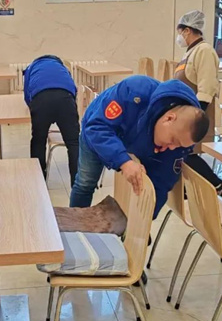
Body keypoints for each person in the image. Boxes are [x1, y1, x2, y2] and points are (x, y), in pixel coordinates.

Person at [69, 75, 209, 217]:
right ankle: (73, 224)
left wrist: (145, 218)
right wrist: (124, 161)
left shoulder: (183, 137)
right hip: (96, 130)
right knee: (85, 183)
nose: (172, 147)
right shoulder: (134, 91)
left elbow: (162, 181)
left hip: (134, 140)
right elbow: (97, 128)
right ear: (169, 118)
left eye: (179, 146)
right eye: (173, 140)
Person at [174, 10, 222, 194]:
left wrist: (197, 115)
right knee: (184, 152)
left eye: (180, 32)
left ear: (188, 30)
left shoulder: (205, 51)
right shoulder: (190, 52)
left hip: (198, 112)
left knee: (187, 152)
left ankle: (217, 184)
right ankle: (189, 190)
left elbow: (207, 87)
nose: (179, 37)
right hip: (187, 111)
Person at [23, 55, 79, 185]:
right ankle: (78, 185)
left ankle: (39, 182)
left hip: (41, 99)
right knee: (73, 143)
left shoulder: (31, 68)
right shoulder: (62, 68)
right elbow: (73, 89)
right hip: (66, 99)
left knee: (38, 140)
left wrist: (34, 108)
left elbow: (26, 94)